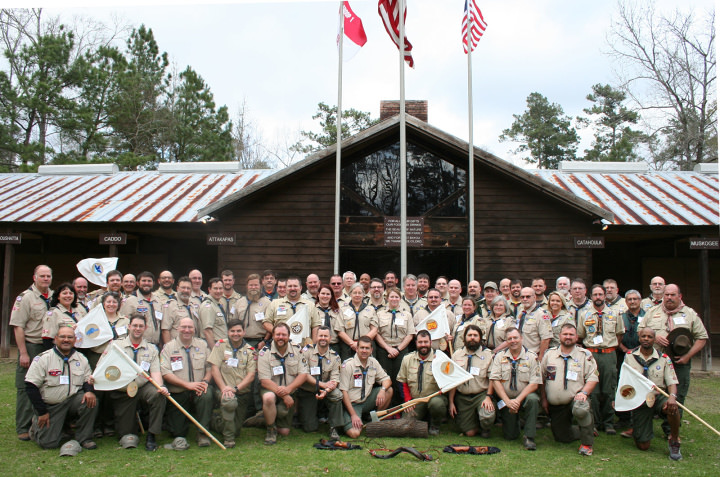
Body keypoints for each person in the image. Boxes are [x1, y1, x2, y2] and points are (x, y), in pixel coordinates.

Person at [24, 325, 98, 451]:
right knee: (48, 444)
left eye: (70, 337)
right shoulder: (43, 358)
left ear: (75, 340)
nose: (66, 340)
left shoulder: (81, 359)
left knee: (90, 401)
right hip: (51, 406)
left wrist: (89, 392)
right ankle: (36, 427)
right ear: (55, 339)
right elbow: (31, 386)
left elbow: (87, 379)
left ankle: (84, 438)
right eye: (62, 337)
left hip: (72, 400)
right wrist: (42, 411)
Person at [643, 284, 707, 420]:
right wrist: (654, 337)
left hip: (679, 362)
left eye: (673, 295)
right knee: (654, 392)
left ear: (680, 296)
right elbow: (640, 330)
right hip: (657, 362)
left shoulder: (690, 314)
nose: (669, 298)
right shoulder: (652, 312)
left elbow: (702, 338)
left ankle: (671, 429)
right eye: (667, 295)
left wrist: (688, 356)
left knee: (677, 396)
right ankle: (649, 423)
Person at [108, 314, 168, 451]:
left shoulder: (151, 349)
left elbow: (155, 371)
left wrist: (161, 386)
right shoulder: (116, 346)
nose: (137, 328)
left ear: (145, 328)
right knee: (126, 434)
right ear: (129, 326)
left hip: (142, 387)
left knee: (158, 394)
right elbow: (104, 367)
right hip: (124, 391)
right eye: (135, 325)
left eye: (141, 326)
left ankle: (152, 434)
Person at [622, 328, 682, 460]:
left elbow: (672, 382)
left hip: (657, 395)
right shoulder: (630, 356)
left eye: (649, 337)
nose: (646, 339)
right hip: (639, 398)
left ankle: (674, 440)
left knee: (672, 407)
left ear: (654, 340)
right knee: (643, 446)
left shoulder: (664, 359)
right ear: (639, 338)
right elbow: (625, 380)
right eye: (643, 336)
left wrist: (672, 397)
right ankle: (642, 431)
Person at [540, 323, 598, 456]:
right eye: (565, 334)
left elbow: (593, 377)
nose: (568, 337)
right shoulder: (550, 355)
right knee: (562, 437)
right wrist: (544, 399)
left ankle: (587, 444)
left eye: (571, 334)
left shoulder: (585, 355)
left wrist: (584, 393)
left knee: (581, 408)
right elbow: (542, 379)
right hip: (557, 404)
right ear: (559, 336)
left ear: (576, 337)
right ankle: (586, 428)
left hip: (576, 398)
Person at [11, 264, 53, 441]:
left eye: (48, 276)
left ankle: (40, 421)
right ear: (34, 278)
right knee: (26, 385)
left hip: (49, 346)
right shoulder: (25, 298)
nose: (45, 279)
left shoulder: (53, 296)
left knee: (47, 384)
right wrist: (23, 352)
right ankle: (23, 425)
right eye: (42, 276)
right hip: (32, 345)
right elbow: (18, 326)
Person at [576, 284, 625, 435]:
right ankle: (595, 422)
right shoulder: (584, 314)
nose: (598, 297)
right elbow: (581, 335)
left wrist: (610, 347)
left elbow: (619, 334)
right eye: (595, 295)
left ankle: (608, 422)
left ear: (604, 296)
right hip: (592, 354)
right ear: (591, 296)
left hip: (609, 354)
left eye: (600, 294)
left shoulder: (614, 313)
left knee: (609, 388)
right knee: (594, 390)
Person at [160, 318, 213, 450]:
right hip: (178, 391)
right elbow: (166, 373)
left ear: (195, 329)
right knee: (177, 432)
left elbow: (210, 367)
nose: (187, 330)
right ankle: (177, 429)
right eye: (184, 327)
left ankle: (202, 433)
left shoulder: (202, 345)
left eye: (190, 327)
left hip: (199, 388)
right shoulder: (169, 347)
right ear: (178, 328)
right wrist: (187, 385)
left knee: (206, 396)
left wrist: (205, 381)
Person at [489, 327, 542, 450]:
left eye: (515, 338)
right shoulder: (499, 357)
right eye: (509, 339)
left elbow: (534, 383)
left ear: (521, 338)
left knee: (533, 399)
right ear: (506, 342)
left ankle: (529, 437)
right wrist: (508, 401)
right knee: (510, 436)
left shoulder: (532, 357)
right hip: (506, 399)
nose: (513, 341)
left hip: (524, 397)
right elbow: (495, 380)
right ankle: (518, 423)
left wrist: (517, 401)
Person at [257, 323, 309, 445]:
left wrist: (289, 390)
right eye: (278, 334)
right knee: (268, 398)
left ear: (289, 336)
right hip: (271, 390)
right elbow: (264, 381)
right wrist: (284, 395)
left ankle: (261, 418)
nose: (281, 337)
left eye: (284, 335)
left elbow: (303, 374)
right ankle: (270, 429)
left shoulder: (297, 350)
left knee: (284, 431)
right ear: (273, 336)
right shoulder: (265, 352)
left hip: (290, 390)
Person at [208, 319, 256, 448]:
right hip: (223, 390)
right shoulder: (220, 346)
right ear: (228, 332)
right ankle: (228, 439)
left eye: (239, 331)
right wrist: (224, 388)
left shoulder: (250, 351)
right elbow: (214, 368)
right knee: (229, 401)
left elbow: (251, 375)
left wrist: (235, 388)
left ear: (244, 332)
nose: (236, 334)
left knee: (237, 430)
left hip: (241, 393)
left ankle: (214, 420)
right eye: (232, 331)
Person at [339, 336, 393, 439]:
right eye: (362, 348)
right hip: (352, 404)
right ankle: (348, 420)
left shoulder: (373, 362)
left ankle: (374, 421)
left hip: (366, 400)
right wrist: (353, 415)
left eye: (367, 348)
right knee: (355, 434)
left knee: (388, 391)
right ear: (357, 348)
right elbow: (343, 392)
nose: (364, 351)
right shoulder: (348, 365)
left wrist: (382, 390)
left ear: (371, 350)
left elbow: (387, 380)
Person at [397, 330, 448, 435]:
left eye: (426, 342)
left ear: (431, 343)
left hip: (434, 399)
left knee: (437, 404)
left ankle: (435, 425)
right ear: (416, 343)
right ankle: (424, 420)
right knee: (405, 425)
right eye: (420, 342)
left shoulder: (440, 359)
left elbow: (448, 382)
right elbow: (402, 382)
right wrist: (408, 401)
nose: (423, 345)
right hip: (416, 401)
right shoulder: (407, 359)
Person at [449, 325, 495, 438]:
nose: (472, 338)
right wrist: (451, 402)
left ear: (480, 338)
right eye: (469, 335)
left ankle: (485, 427)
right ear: (464, 338)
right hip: (463, 397)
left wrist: (488, 397)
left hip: (481, 395)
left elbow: (492, 379)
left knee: (487, 415)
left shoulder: (488, 354)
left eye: (475, 335)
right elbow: (453, 380)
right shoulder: (456, 355)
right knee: (469, 433)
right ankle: (474, 424)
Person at [297, 326, 343, 439]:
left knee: (337, 394)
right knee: (310, 428)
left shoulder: (335, 357)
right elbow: (304, 374)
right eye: (321, 335)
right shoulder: (307, 351)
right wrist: (321, 384)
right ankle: (309, 418)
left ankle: (334, 428)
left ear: (330, 338)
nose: (323, 338)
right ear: (316, 337)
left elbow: (335, 379)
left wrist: (326, 390)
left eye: (326, 336)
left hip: (326, 390)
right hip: (308, 390)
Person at [374, 288, 416, 406]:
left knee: (400, 379)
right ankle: (385, 406)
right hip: (384, 350)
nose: (394, 299)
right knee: (385, 378)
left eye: (396, 297)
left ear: (400, 299)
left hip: (401, 350)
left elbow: (410, 334)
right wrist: (388, 348)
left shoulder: (406, 315)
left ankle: (399, 406)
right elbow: (376, 333)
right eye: (391, 297)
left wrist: (398, 349)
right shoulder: (379, 314)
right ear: (387, 298)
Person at [263, 276, 318, 342]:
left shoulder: (310, 305)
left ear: (300, 288)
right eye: (290, 286)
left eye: (295, 286)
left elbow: (316, 326)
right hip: (281, 346)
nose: (292, 288)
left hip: (303, 348)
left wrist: (314, 346)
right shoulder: (275, 304)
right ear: (286, 288)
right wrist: (278, 332)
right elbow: (266, 322)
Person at [336, 283, 378, 361]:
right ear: (350, 294)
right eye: (354, 293)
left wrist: (362, 343)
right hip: (348, 346)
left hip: (366, 346)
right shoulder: (343, 309)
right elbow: (340, 331)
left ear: (363, 294)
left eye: (360, 293)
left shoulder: (370, 309)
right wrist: (353, 344)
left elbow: (374, 330)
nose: (357, 295)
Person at [42, 282, 87, 349]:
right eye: (64, 293)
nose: (68, 296)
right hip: (62, 352)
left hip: (79, 351)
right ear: (58, 297)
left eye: (71, 293)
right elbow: (47, 339)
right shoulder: (53, 314)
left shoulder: (79, 311)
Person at [234, 273, 272, 349]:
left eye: (256, 285)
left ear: (260, 286)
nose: (253, 287)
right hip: (242, 342)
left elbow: (271, 324)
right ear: (247, 286)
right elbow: (234, 323)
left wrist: (264, 341)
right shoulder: (239, 302)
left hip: (259, 343)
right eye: (251, 285)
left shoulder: (267, 303)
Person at [162, 276, 202, 344]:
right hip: (177, 347)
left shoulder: (195, 305)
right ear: (177, 288)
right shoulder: (170, 306)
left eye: (188, 288)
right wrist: (169, 349)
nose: (185, 290)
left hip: (194, 346)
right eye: (183, 288)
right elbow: (165, 330)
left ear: (191, 290)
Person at [516, 287, 552, 360]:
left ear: (534, 297)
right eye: (522, 297)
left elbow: (546, 339)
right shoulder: (521, 311)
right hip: (519, 355)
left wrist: (540, 359)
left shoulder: (541, 314)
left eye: (528, 296)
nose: (525, 299)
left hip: (534, 356)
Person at [130, 271, 163, 346]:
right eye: (144, 281)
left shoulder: (158, 301)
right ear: (138, 283)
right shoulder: (131, 300)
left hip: (155, 345)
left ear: (153, 283)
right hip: (137, 345)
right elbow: (125, 323)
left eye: (149, 281)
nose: (146, 283)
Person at [314, 284, 342, 355]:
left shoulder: (337, 311)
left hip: (334, 345)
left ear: (331, 296)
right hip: (318, 345)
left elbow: (340, 329)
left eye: (328, 294)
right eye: (323, 293)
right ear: (318, 295)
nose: (325, 296)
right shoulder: (313, 310)